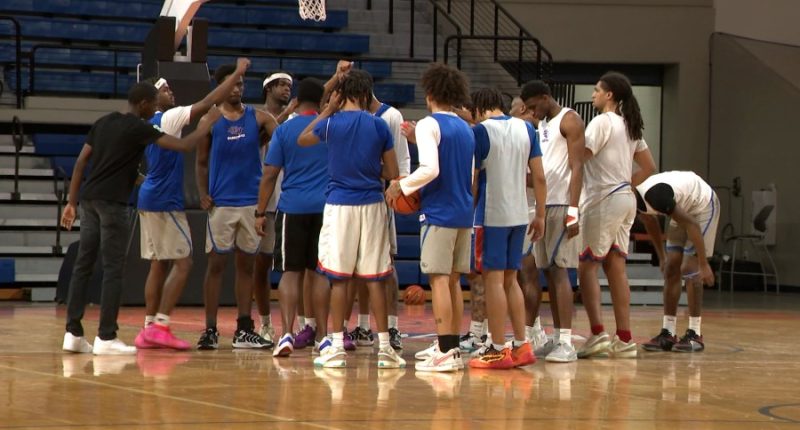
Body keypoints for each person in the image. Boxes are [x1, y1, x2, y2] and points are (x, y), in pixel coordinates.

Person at [61, 82, 211, 355]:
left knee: (84, 264)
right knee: (113, 269)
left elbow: (83, 161)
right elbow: (185, 145)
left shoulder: (104, 122)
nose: (155, 109)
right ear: (143, 104)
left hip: (89, 200)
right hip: (113, 204)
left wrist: (71, 202)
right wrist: (206, 125)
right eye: (153, 104)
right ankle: (106, 337)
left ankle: (72, 333)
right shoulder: (139, 127)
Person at [134, 58, 252, 351]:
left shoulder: (143, 125)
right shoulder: (168, 118)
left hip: (148, 197)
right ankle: (161, 325)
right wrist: (237, 72)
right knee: (184, 263)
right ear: (152, 98)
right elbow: (209, 101)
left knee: (158, 265)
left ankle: (148, 328)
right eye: (165, 89)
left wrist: (146, 182)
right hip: (165, 201)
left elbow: (132, 168)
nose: (171, 92)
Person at [298, 69, 404, 369]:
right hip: (372, 204)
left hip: (340, 206)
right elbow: (392, 172)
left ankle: (335, 346)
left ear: (342, 94)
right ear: (367, 94)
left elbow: (303, 139)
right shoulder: (379, 125)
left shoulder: (330, 124)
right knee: (375, 278)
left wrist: (326, 111)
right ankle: (385, 348)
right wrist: (369, 169)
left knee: (339, 278)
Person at [386, 63, 473, 372]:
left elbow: (432, 169)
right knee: (453, 282)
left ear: (430, 93)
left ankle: (446, 352)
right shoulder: (465, 127)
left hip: (439, 212)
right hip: (464, 211)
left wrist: (400, 185)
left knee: (438, 280)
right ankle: (451, 346)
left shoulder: (428, 124)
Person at [195, 63, 278, 350]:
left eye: (241, 84)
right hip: (221, 203)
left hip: (251, 203)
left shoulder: (258, 118)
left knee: (247, 266)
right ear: (220, 86)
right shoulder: (211, 119)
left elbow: (281, 135)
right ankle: (210, 329)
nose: (238, 88)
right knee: (216, 264)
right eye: (233, 83)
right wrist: (202, 192)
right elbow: (201, 162)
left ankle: (244, 328)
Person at [576, 72, 657, 359]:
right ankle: (624, 339)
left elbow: (579, 157)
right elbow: (649, 167)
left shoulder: (601, 122)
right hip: (625, 199)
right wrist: (625, 185)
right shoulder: (630, 125)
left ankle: (597, 334)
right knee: (616, 268)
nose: (593, 95)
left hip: (603, 199)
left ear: (609, 95)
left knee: (586, 265)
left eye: (597, 90)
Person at [467, 88, 545, 370]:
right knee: (511, 280)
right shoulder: (526, 128)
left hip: (491, 214)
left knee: (494, 281)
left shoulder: (480, 132)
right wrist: (542, 215)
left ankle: (498, 348)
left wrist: (467, 211)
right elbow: (538, 175)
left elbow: (473, 179)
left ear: (478, 108)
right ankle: (522, 344)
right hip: (520, 214)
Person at [255, 78, 331, 357]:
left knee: (290, 273)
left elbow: (269, 175)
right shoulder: (328, 127)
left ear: (296, 101)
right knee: (321, 273)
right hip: (325, 208)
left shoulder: (285, 130)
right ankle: (323, 336)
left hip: (292, 208)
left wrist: (260, 212)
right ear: (322, 102)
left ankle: (286, 333)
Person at [520, 80, 586, 363]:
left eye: (534, 106)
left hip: (562, 204)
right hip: (544, 205)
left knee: (560, 273)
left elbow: (577, 166)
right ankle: (557, 337)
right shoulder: (543, 125)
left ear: (546, 97)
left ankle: (567, 343)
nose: (532, 113)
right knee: (547, 271)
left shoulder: (569, 119)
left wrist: (574, 210)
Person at [637, 171, 719, 353]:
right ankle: (668, 332)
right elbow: (651, 224)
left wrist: (704, 264)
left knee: (690, 268)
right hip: (682, 208)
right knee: (671, 267)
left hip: (703, 205)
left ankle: (695, 333)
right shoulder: (636, 202)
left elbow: (692, 225)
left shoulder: (656, 197)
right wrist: (662, 257)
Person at [253, 70, 297, 344]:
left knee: (295, 267)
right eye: (281, 84)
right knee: (261, 265)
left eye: (290, 86)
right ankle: (265, 322)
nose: (286, 89)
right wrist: (283, 115)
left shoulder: (295, 120)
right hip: (265, 202)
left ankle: (301, 324)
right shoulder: (255, 117)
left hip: (290, 200)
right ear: (268, 88)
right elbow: (260, 139)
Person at [510, 95, 549, 348]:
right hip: (521, 209)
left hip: (529, 209)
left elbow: (539, 177)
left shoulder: (529, 134)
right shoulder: (526, 133)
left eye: (512, 108)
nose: (508, 111)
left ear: (523, 109)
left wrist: (507, 174)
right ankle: (532, 329)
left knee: (526, 273)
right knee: (517, 275)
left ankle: (529, 333)